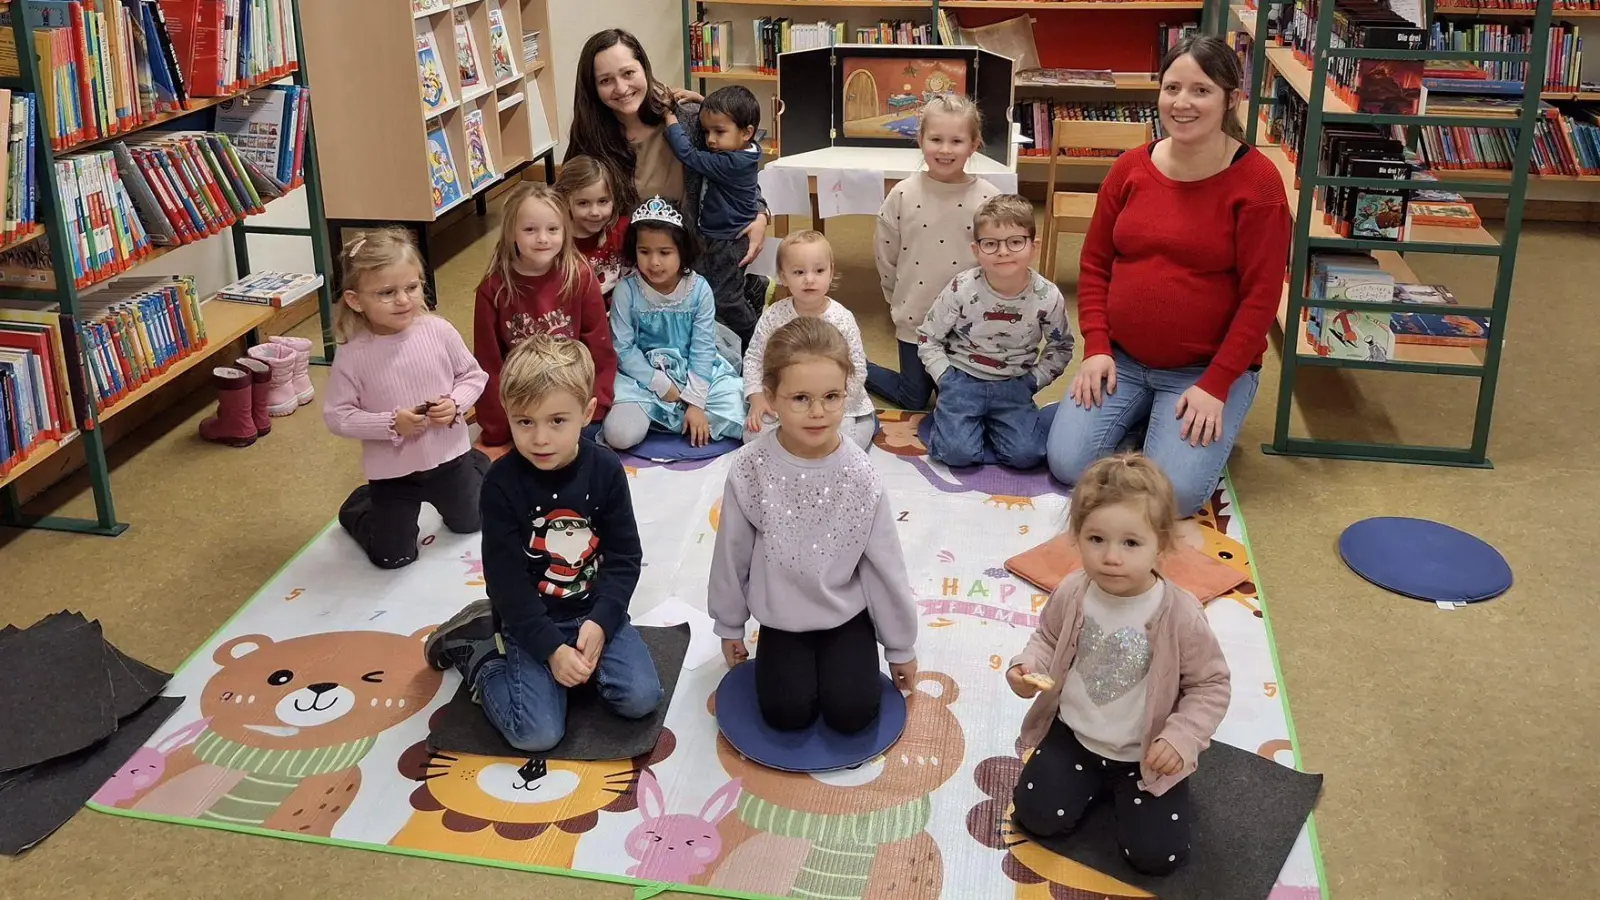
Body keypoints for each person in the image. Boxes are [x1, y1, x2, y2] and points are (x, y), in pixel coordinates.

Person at [1047, 35, 1291, 517]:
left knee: (1173, 498)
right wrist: (1096, 347)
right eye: (1171, 87)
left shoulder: (1259, 184)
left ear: (1230, 99)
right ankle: (1144, 421)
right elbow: (1094, 264)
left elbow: (1261, 300)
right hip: (1123, 359)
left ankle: (1174, 423)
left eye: (1200, 91)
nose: (1181, 103)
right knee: (1066, 464)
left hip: (1203, 371)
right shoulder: (1130, 169)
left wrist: (1217, 385)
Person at [424, 334, 663, 753]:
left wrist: (601, 623)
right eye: (524, 422)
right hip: (531, 622)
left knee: (642, 699)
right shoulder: (500, 483)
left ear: (587, 413)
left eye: (557, 421)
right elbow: (505, 583)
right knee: (536, 735)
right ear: (507, 417)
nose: (539, 439)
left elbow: (625, 557)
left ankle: (570, 672)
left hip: (592, 614)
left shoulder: (605, 470)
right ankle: (480, 658)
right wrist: (551, 649)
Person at [1005, 453, 1230, 876]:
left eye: (1131, 543)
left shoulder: (1179, 613)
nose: (1111, 557)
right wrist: (1026, 665)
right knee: (1034, 817)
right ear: (1077, 536)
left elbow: (1211, 685)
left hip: (1144, 758)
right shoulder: (1073, 591)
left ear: (1160, 545)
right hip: (1076, 738)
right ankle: (1085, 783)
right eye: (1096, 539)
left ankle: (1135, 794)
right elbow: (1047, 638)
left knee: (1157, 858)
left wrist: (1181, 738)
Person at [709, 316, 919, 734]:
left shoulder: (861, 475)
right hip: (781, 616)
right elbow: (731, 553)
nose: (818, 412)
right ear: (771, 396)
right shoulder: (751, 468)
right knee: (786, 715)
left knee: (853, 715)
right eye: (800, 398)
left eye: (832, 397)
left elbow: (885, 567)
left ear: (848, 394)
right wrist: (730, 624)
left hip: (845, 614)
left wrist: (900, 647)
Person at [565, 28, 771, 332]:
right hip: (628, 265)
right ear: (593, 88)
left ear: (644, 69)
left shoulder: (686, 119)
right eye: (606, 80)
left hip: (693, 257)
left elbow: (736, 167)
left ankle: (749, 293)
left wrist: (761, 212)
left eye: (628, 73)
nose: (621, 88)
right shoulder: (591, 136)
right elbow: (565, 198)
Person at [323, 229, 489, 570]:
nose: (403, 300)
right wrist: (388, 423)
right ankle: (360, 505)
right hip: (393, 473)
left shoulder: (438, 331)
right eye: (387, 293)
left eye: (412, 287)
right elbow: (337, 415)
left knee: (472, 522)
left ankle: (477, 465)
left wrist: (456, 403)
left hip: (449, 458)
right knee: (393, 557)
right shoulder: (353, 354)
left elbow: (474, 375)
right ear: (356, 301)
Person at [918, 194, 1073, 469]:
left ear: (1033, 247)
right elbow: (928, 336)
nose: (1003, 252)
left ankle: (984, 424)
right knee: (957, 454)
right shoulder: (961, 287)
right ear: (976, 250)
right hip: (962, 380)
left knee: (1027, 456)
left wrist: (1034, 381)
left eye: (1015, 242)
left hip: (1014, 384)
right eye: (991, 244)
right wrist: (944, 377)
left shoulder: (1048, 296)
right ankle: (959, 422)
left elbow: (1061, 347)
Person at [868, 93, 1001, 411]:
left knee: (953, 400)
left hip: (967, 326)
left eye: (956, 140)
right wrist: (896, 300)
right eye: (936, 139)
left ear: (974, 144)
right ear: (920, 140)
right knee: (912, 399)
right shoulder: (902, 194)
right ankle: (855, 366)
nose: (945, 149)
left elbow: (1000, 261)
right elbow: (885, 254)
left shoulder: (990, 199)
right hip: (916, 318)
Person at [473, 182, 617, 458]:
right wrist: (497, 430)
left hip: (569, 398)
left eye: (552, 229)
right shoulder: (493, 290)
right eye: (530, 229)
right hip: (523, 404)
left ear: (565, 231)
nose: (542, 238)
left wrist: (595, 407)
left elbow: (598, 346)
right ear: (511, 233)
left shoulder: (580, 277)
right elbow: (488, 364)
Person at [603, 196, 746, 451]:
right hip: (642, 378)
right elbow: (623, 348)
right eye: (644, 251)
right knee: (620, 434)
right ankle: (666, 415)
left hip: (697, 371)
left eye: (665, 252)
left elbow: (702, 347)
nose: (654, 262)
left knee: (748, 421)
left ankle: (688, 414)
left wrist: (695, 402)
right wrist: (661, 384)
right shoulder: (627, 290)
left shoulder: (698, 289)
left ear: (682, 250)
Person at [741, 231, 875, 449]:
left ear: (831, 272)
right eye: (799, 272)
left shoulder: (842, 318)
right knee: (754, 436)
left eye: (819, 270)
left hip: (834, 402)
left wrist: (837, 403)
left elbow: (857, 368)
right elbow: (755, 357)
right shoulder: (774, 316)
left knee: (849, 441)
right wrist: (757, 396)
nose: (809, 279)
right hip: (787, 401)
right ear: (783, 276)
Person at [663, 84, 771, 351]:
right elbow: (728, 118)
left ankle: (758, 343)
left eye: (718, 132)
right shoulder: (745, 146)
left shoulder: (731, 162)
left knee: (726, 299)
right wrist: (702, 101)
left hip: (728, 241)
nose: (710, 140)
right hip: (714, 234)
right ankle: (752, 288)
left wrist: (669, 117)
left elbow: (688, 155)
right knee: (704, 285)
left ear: (747, 132)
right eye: (706, 131)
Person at [554, 154, 631, 298]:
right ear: (566, 201)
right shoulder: (556, 239)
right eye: (583, 203)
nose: (595, 212)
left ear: (613, 199)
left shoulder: (623, 231)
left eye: (603, 201)